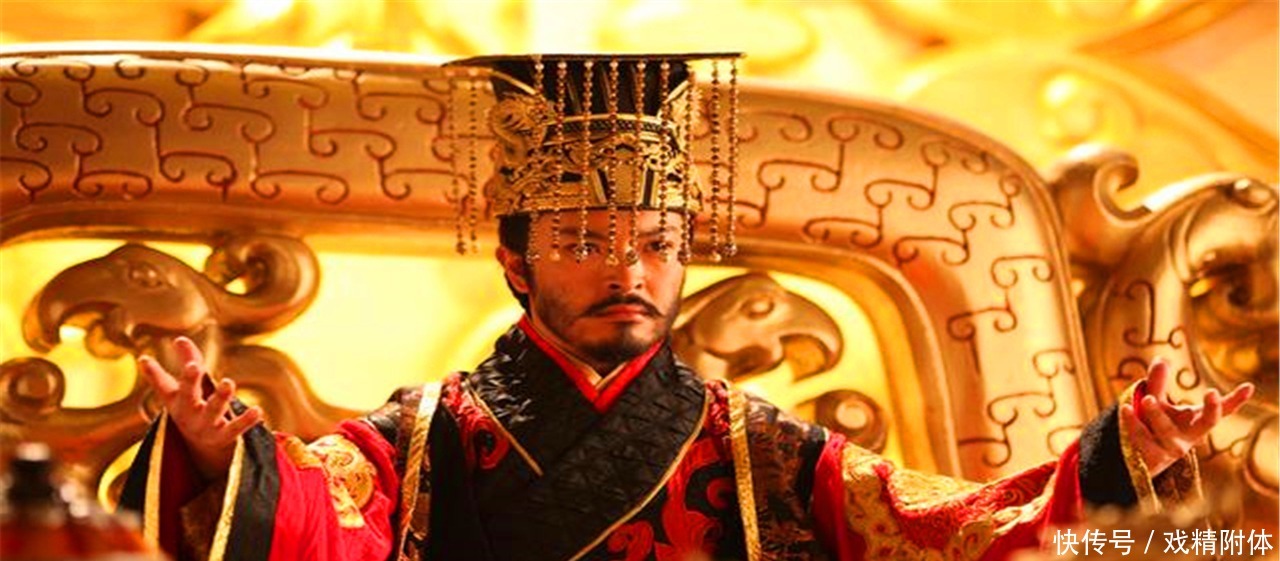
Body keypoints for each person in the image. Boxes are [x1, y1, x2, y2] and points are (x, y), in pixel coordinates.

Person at [120, 54, 1254, 561]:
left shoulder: (761, 450)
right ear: (514, 261)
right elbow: (317, 524)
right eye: (584, 242)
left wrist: (1121, 454)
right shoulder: (418, 441)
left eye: (658, 245)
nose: (630, 271)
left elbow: (943, 529)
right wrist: (222, 455)